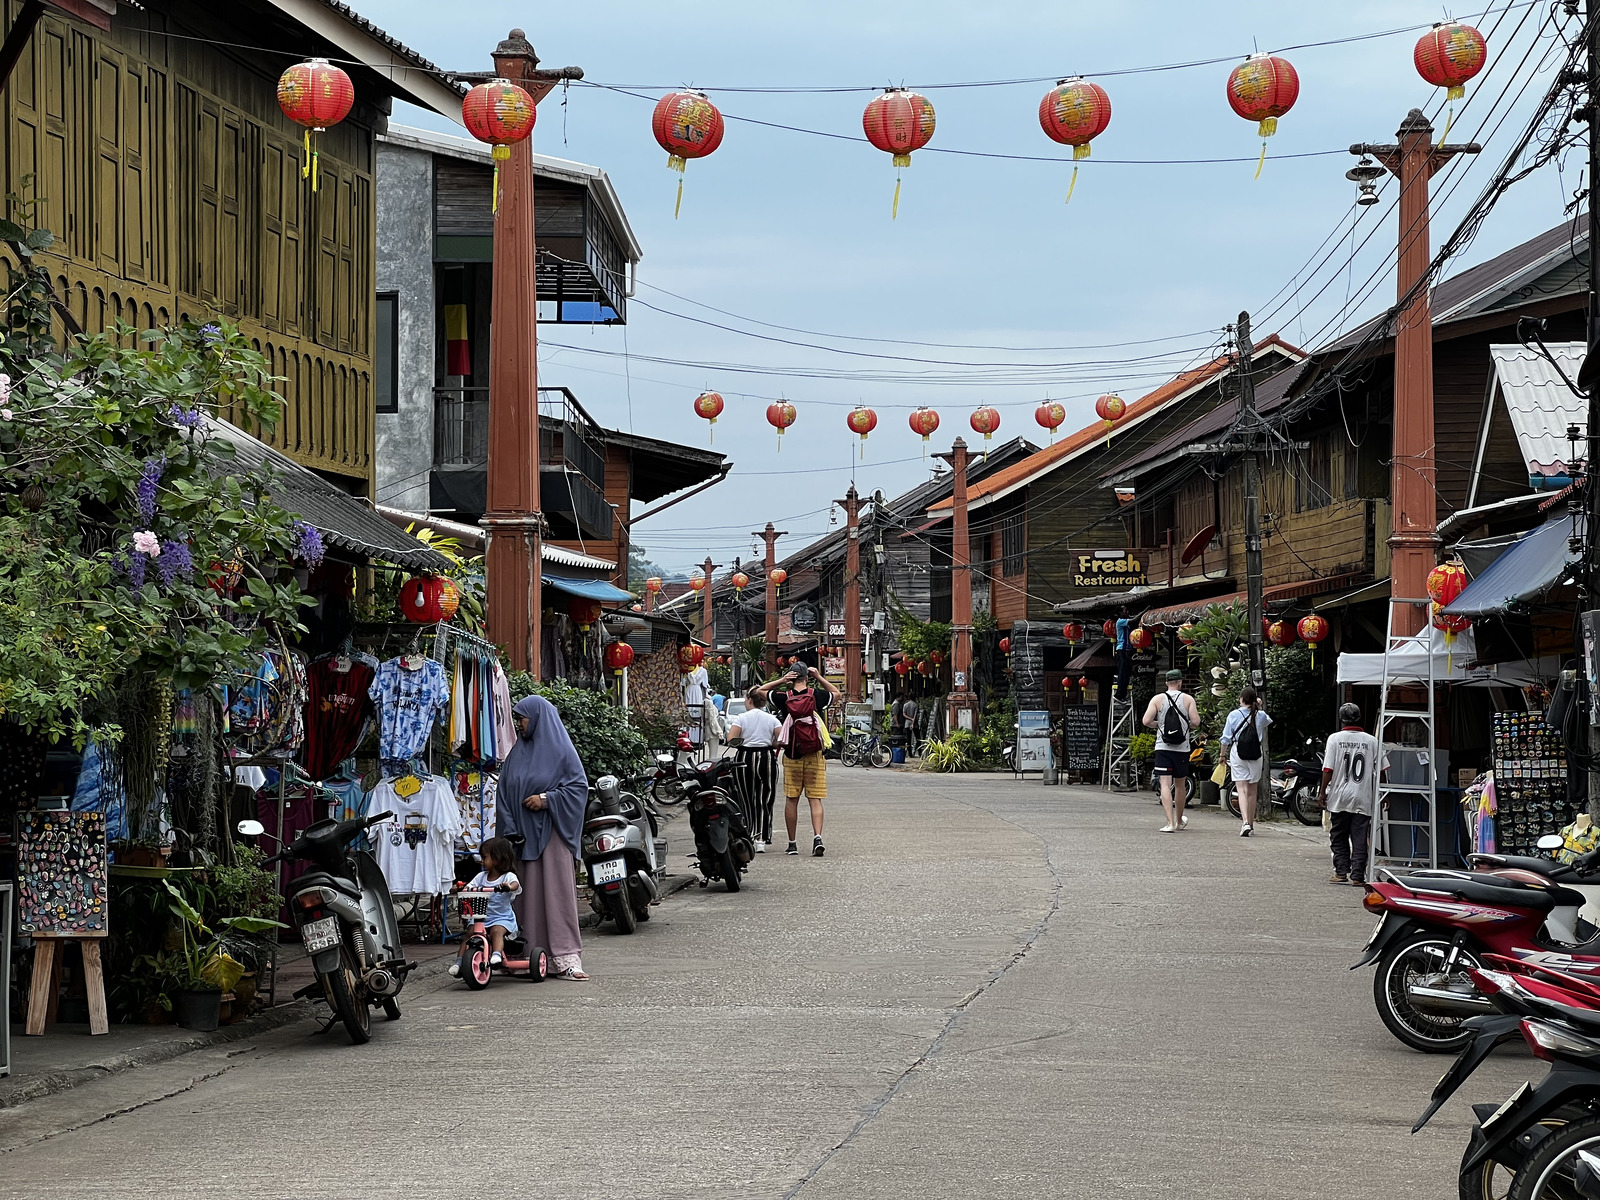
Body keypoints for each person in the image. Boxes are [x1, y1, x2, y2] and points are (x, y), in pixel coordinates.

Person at [495, 695, 591, 980]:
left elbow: (578, 788)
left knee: (556, 893)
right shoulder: (517, 753)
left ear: (538, 719)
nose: (519, 725)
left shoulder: (562, 752)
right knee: (525, 898)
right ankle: (526, 957)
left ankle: (565, 958)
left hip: (551, 836)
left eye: (522, 719)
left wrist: (547, 800)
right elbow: (503, 792)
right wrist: (509, 830)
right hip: (520, 838)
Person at [750, 662, 839, 857]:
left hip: (791, 753)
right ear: (807, 677)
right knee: (815, 799)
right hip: (814, 753)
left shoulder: (783, 698)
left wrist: (782, 680)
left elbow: (760, 690)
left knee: (792, 799)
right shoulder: (817, 696)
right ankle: (817, 837)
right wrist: (819, 677)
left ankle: (792, 843)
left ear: (792, 678)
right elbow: (837, 693)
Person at [1319, 702, 1383, 886]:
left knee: (1338, 834)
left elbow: (1328, 769)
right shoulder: (1372, 741)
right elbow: (1382, 770)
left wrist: (1322, 792)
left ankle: (1341, 872)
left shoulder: (1334, 739)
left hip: (1339, 796)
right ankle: (1357, 876)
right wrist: (1384, 794)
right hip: (1363, 796)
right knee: (1360, 836)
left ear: (1341, 719)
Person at [1142, 668, 1200, 833]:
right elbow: (1196, 721)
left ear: (1167, 683)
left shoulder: (1157, 699)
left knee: (1165, 785)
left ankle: (1169, 823)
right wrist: (1184, 727)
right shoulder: (1188, 699)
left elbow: (1146, 721)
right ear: (1180, 683)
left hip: (1163, 747)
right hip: (1182, 748)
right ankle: (1180, 821)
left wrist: (1159, 725)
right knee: (1180, 785)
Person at [729, 693, 782, 852]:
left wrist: (743, 740)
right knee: (765, 798)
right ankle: (762, 838)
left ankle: (749, 833)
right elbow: (781, 739)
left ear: (750, 700)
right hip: (766, 757)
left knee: (746, 798)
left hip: (744, 758)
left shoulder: (741, 718)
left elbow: (731, 739)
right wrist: (770, 743)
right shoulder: (772, 719)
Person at [1220, 686, 1273, 838]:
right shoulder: (1260, 715)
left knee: (1241, 788)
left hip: (1238, 752)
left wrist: (1222, 755)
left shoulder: (1233, 715)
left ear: (1242, 699)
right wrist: (1260, 706)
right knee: (1252, 789)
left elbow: (1226, 738)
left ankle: (1245, 823)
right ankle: (1251, 822)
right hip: (1256, 753)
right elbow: (1267, 721)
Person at [467, 836, 520, 966]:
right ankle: (460, 960)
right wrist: (459, 887)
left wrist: (508, 887)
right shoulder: (481, 877)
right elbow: (469, 886)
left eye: (484, 858)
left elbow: (515, 885)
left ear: (497, 858)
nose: (482, 861)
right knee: (470, 932)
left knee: (496, 931)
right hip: (481, 917)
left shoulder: (507, 876)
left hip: (502, 918)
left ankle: (496, 954)